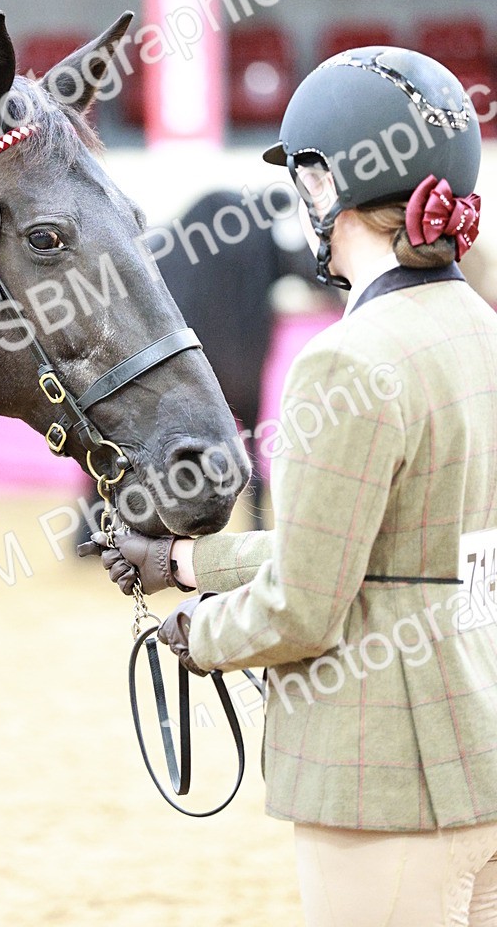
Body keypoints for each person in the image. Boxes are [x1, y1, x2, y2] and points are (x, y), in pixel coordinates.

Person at [84, 47, 497, 926]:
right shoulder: (481, 331)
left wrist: (200, 635)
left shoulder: (345, 360)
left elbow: (305, 605)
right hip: (479, 745)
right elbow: (371, 552)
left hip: (383, 775)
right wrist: (185, 563)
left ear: (324, 183)